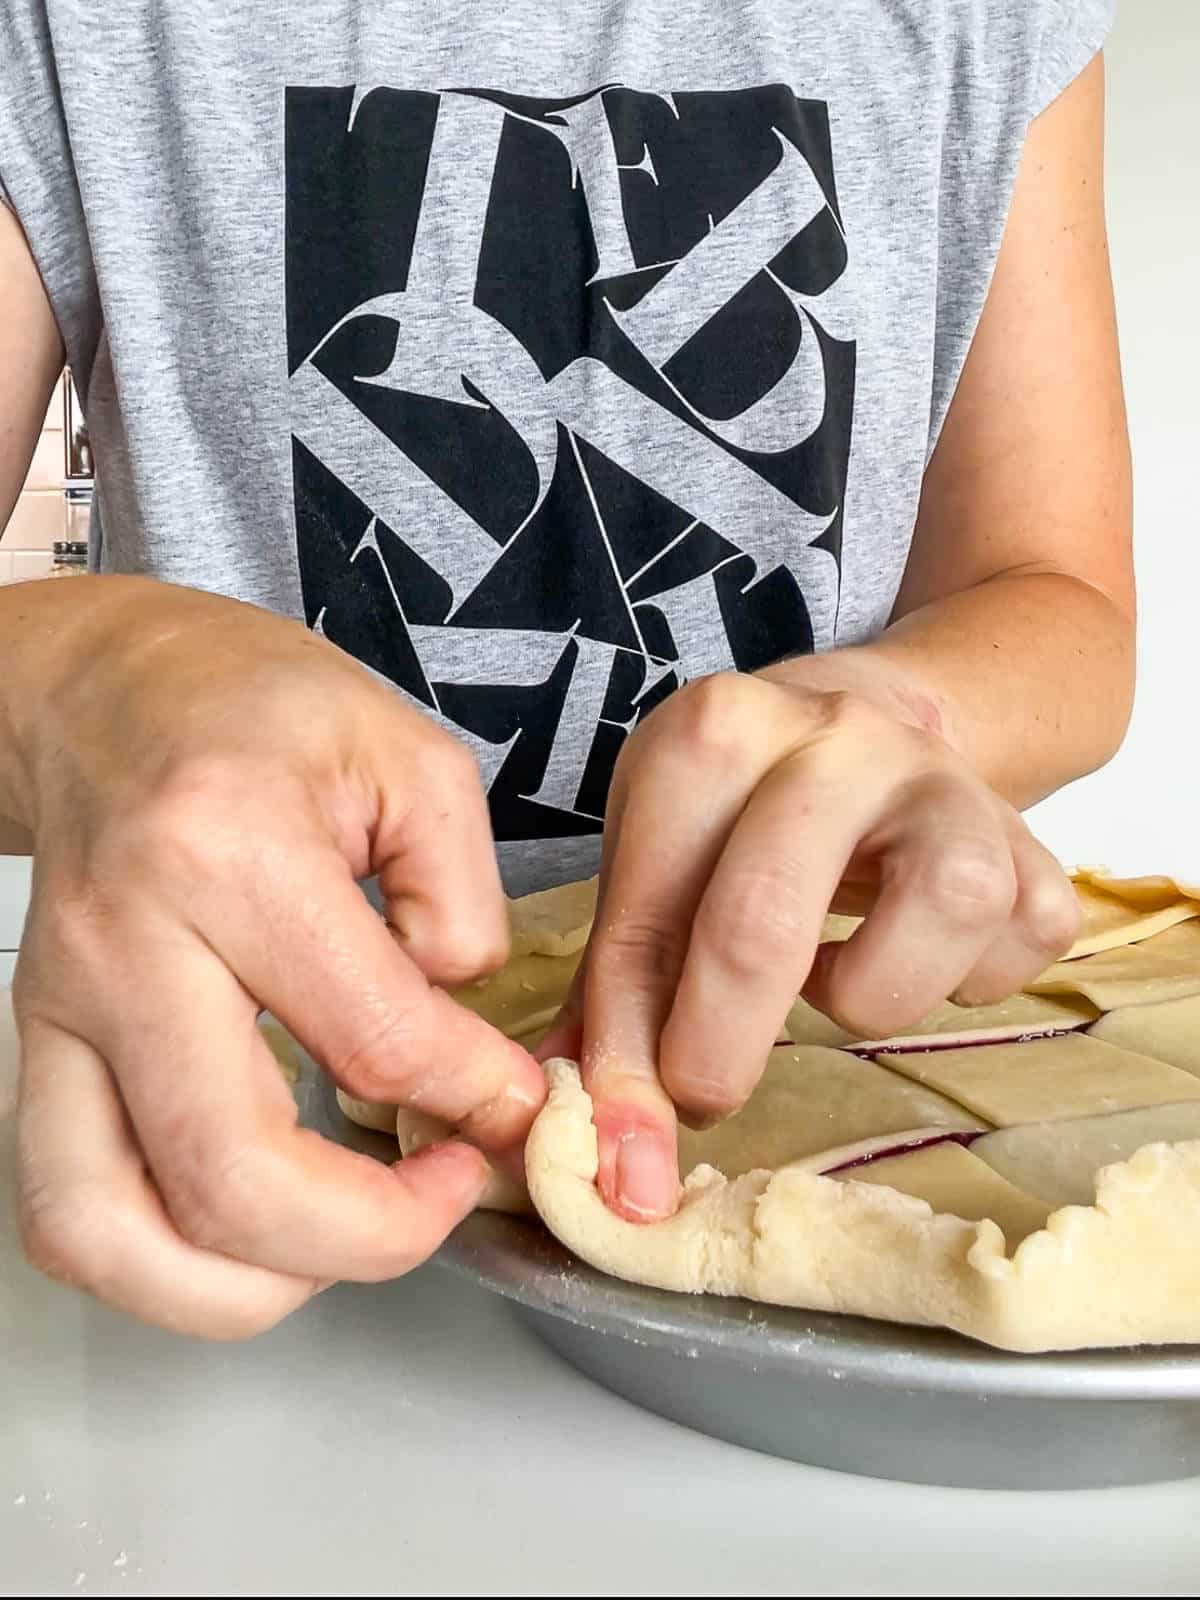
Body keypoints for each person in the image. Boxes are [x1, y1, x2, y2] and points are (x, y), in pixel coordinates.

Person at [0, 2, 1132, 1338]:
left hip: (828, 1135)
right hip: (213, 1124)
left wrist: (897, 709)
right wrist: (86, 677)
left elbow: (1062, 599)